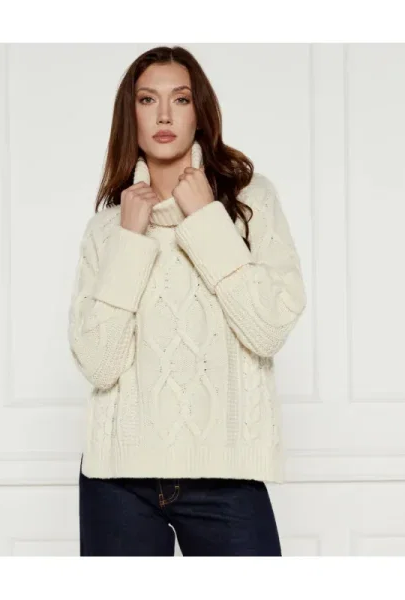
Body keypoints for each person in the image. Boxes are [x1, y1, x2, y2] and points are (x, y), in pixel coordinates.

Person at [68, 45, 307, 557]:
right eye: (147, 99)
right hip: (118, 479)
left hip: (226, 475)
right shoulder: (107, 228)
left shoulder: (249, 202)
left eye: (179, 99)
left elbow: (268, 330)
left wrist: (205, 220)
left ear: (199, 113)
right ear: (130, 115)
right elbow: (99, 364)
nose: (163, 115)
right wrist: (129, 242)